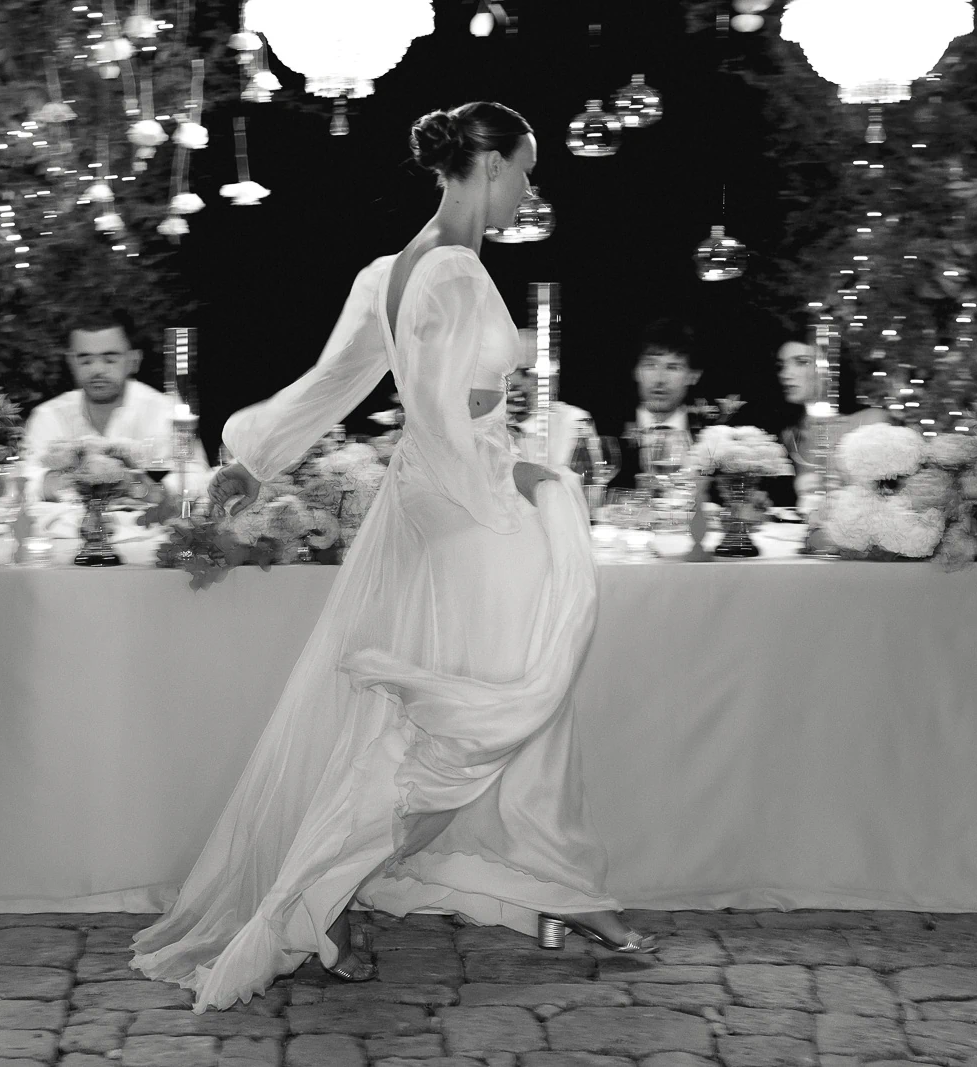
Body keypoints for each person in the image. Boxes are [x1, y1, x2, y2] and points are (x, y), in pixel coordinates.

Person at [131, 101, 651, 1015]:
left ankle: (555, 891)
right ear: (487, 164)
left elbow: (331, 384)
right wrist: (517, 480)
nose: (530, 189)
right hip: (464, 511)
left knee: (486, 710)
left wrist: (248, 465)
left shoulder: (393, 269)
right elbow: (449, 420)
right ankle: (323, 897)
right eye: (526, 170)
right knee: (482, 712)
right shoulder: (451, 273)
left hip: (429, 506)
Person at [19, 311, 210, 502]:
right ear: (71, 362)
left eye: (110, 359)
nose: (97, 370)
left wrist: (141, 487)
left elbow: (196, 476)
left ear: (133, 360)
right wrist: (58, 482)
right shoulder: (48, 416)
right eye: (85, 360)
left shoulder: (165, 411)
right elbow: (21, 481)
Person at [775, 338, 889, 510]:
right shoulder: (791, 433)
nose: (785, 374)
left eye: (802, 362)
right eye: (782, 365)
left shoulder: (871, 422)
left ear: (830, 367)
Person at [611, 327, 704, 491]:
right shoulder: (609, 431)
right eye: (650, 365)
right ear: (636, 372)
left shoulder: (709, 436)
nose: (660, 379)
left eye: (673, 367)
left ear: (693, 376)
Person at [505, 364, 600, 473]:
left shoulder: (573, 421)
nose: (517, 382)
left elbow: (593, 479)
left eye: (524, 372)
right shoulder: (491, 426)